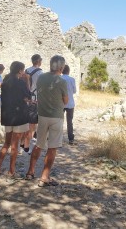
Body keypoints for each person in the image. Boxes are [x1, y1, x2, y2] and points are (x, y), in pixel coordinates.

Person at [25, 55, 68, 187]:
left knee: (38, 144)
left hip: (42, 115)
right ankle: (44, 177)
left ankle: (30, 172)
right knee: (52, 147)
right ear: (61, 67)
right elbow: (66, 100)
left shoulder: (42, 77)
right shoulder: (61, 82)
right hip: (56, 117)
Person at [0, 61, 31, 182]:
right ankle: (11, 171)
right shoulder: (21, 83)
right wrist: (27, 80)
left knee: (6, 143)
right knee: (15, 145)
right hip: (19, 116)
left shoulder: (6, 82)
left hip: (8, 116)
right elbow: (28, 96)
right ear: (20, 71)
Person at [21, 54, 43, 152]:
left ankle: (22, 143)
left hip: (25, 100)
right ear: (39, 61)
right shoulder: (40, 73)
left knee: (26, 123)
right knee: (32, 125)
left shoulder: (26, 71)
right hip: (34, 100)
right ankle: (26, 146)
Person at [61, 64, 77, 145]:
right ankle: (70, 138)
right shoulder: (72, 79)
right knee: (69, 121)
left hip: (61, 103)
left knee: (59, 120)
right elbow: (74, 91)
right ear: (68, 71)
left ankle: (58, 138)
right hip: (70, 103)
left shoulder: (59, 79)